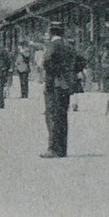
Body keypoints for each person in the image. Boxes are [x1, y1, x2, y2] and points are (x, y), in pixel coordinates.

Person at [41, 24, 86, 158]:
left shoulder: (52, 47)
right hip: (66, 86)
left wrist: (56, 73)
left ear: (51, 33)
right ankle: (61, 149)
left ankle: (53, 148)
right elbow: (82, 61)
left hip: (54, 85)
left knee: (53, 116)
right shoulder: (69, 47)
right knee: (62, 116)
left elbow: (46, 63)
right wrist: (70, 73)